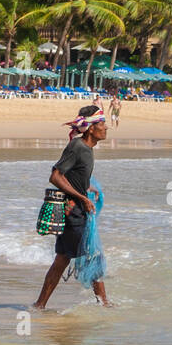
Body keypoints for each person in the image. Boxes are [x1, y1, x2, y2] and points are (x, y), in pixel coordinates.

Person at [34, 112, 110, 310]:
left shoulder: (87, 149)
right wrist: (82, 198)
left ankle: (40, 305)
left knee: (62, 259)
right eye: (102, 124)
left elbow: (70, 176)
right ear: (91, 128)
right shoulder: (78, 147)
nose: (106, 128)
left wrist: (85, 189)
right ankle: (104, 304)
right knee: (92, 255)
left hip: (75, 210)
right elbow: (56, 176)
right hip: (73, 212)